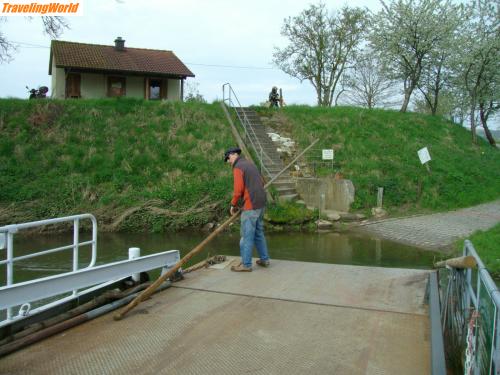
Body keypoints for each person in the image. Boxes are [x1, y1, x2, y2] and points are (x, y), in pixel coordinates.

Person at [224, 147, 270, 272]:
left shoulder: (238, 167)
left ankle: (246, 265)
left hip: (251, 205)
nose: (228, 162)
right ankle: (265, 260)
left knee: (246, 235)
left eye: (228, 158)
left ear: (233, 155)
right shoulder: (250, 164)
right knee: (259, 233)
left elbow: (238, 190)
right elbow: (262, 181)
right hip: (261, 203)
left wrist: (233, 204)